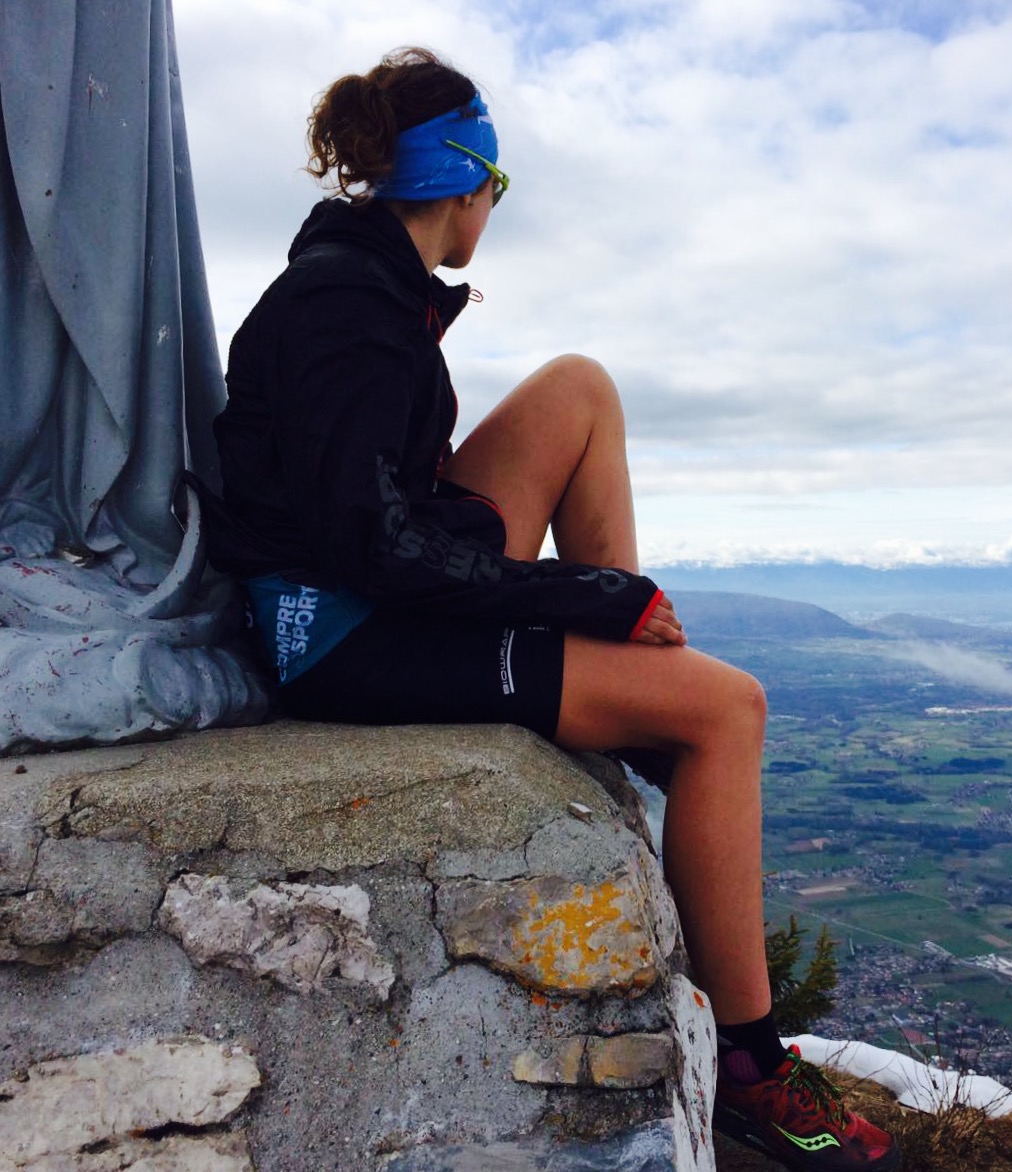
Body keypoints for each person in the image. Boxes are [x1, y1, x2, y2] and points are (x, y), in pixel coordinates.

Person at [200, 47, 902, 1172]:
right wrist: (593, 594)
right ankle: (753, 1072)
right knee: (731, 710)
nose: (496, 207)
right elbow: (369, 550)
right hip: (337, 634)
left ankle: (638, 700)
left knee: (579, 387)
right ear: (465, 183)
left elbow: (376, 507)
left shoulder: (368, 285)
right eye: (499, 186)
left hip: (365, 582)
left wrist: (594, 598)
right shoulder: (345, 308)